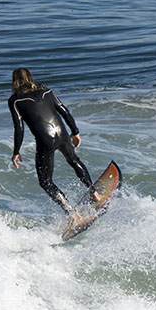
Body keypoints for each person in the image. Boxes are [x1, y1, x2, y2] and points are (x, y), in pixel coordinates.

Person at [8, 68, 93, 214]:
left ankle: (71, 212)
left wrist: (16, 151)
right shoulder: (46, 91)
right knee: (74, 161)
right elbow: (64, 111)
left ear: (15, 81)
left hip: (45, 141)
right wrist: (75, 132)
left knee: (45, 182)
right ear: (31, 77)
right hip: (62, 134)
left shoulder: (15, 100)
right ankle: (94, 192)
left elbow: (19, 128)